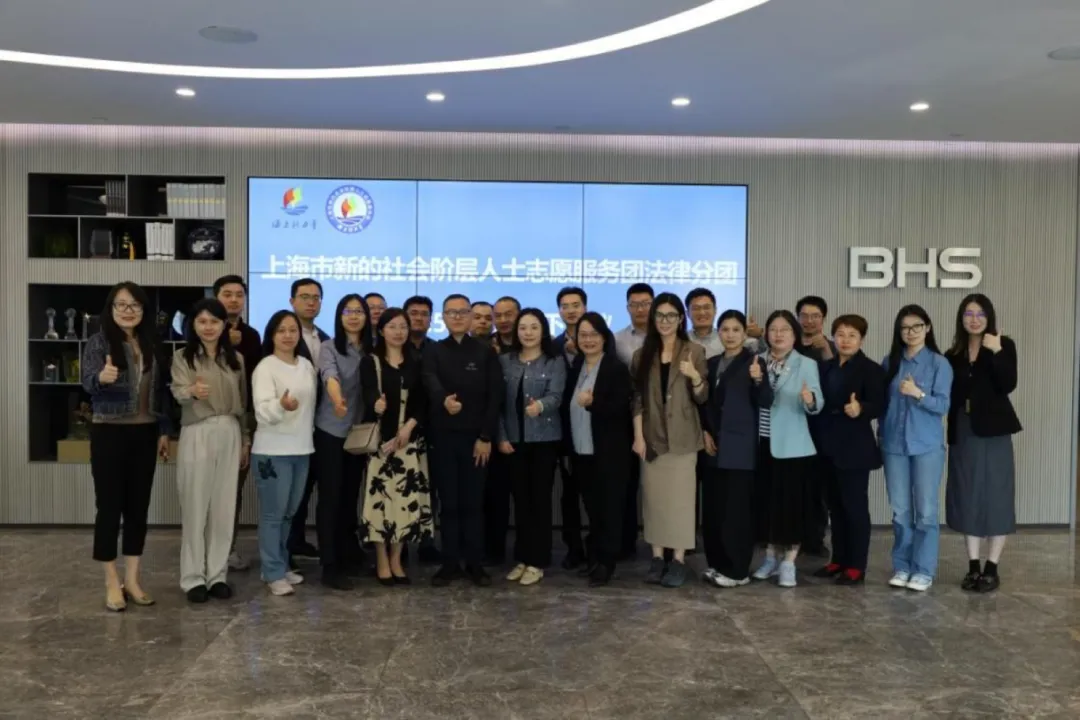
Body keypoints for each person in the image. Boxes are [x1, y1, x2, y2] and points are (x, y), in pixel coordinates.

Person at [81, 282, 171, 612]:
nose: (128, 311)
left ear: (144, 310)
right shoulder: (99, 342)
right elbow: (87, 382)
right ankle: (111, 581)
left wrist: (164, 431)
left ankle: (132, 579)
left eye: (135, 305)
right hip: (109, 433)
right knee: (109, 508)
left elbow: (161, 392)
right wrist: (100, 379)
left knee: (138, 509)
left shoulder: (151, 342)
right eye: (121, 304)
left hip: (145, 434)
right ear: (111, 309)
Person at [171, 298, 250, 603]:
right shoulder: (183, 357)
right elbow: (177, 391)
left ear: (224, 325)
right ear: (193, 325)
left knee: (223, 507)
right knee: (195, 505)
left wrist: (245, 439)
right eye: (202, 321)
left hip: (229, 430)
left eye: (214, 322)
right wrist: (191, 391)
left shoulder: (236, 359)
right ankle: (193, 578)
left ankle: (217, 574)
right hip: (198, 429)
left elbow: (243, 403)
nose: (208, 327)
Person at [421, 294, 502, 587]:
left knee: (473, 503)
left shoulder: (485, 352)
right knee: (449, 503)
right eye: (451, 312)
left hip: (476, 440)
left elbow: (495, 396)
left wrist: (485, 436)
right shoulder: (434, 351)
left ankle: (475, 564)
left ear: (470, 317)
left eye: (462, 312)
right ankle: (450, 563)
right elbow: (429, 380)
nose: (457, 317)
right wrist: (443, 400)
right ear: (443, 317)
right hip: (442, 438)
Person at [944, 294, 1021, 593]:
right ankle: (973, 566)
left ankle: (992, 567)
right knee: (968, 493)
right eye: (968, 314)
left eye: (980, 314)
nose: (974, 319)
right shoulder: (953, 354)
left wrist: (997, 351)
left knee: (997, 495)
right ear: (961, 318)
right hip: (963, 429)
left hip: (995, 430)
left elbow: (1008, 384)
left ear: (989, 317)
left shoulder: (1004, 344)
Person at [631, 293, 708, 588]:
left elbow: (703, 397)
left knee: (681, 503)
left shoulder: (694, 351)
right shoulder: (641, 355)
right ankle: (657, 557)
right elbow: (637, 400)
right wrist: (638, 436)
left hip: (684, 437)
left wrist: (695, 377)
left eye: (671, 315)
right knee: (654, 501)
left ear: (680, 319)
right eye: (660, 315)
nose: (665, 321)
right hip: (652, 439)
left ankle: (678, 560)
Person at [880, 304, 952, 593]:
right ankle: (902, 565)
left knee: (926, 511)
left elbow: (943, 405)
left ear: (927, 328)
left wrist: (918, 394)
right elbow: (883, 405)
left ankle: (923, 569)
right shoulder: (890, 362)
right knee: (900, 511)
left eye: (916, 326)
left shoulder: (939, 363)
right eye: (905, 328)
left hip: (926, 446)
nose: (910, 332)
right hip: (894, 445)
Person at [361, 308, 434, 585]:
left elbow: (423, 402)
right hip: (382, 444)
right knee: (380, 504)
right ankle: (381, 559)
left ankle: (396, 559)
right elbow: (369, 392)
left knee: (404, 504)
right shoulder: (371, 361)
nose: (399, 332)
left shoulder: (416, 361)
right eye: (392, 326)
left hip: (409, 444)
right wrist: (376, 404)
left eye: (403, 326)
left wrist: (409, 428)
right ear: (381, 330)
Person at [750, 310, 823, 589]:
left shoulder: (805, 363)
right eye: (773, 329)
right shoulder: (757, 361)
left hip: (793, 447)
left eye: (785, 330)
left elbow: (817, 404)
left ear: (795, 334)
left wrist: (809, 399)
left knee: (791, 508)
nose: (778, 334)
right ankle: (770, 558)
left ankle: (789, 563)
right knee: (767, 505)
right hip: (762, 444)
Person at [812, 314, 885, 586]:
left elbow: (880, 404)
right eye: (840, 334)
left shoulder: (871, 369)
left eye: (852, 335)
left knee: (854, 508)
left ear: (861, 339)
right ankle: (838, 559)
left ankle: (856, 565)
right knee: (834, 507)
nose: (845, 340)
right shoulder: (825, 367)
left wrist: (861, 408)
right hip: (826, 447)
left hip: (854, 449)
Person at [700, 310, 771, 589]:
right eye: (725, 329)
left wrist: (758, 380)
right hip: (713, 446)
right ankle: (718, 563)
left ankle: (738, 570)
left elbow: (766, 400)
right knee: (714, 508)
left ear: (744, 333)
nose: (730, 335)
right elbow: (704, 402)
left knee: (737, 511)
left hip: (740, 447)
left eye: (736, 330)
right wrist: (705, 432)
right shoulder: (712, 363)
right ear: (718, 332)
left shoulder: (754, 361)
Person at [251, 310, 318, 596]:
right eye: (281, 330)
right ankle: (272, 571)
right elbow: (262, 410)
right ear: (272, 335)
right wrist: (281, 405)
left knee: (290, 513)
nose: (288, 335)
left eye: (293, 330)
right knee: (273, 514)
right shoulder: (266, 367)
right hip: (272, 451)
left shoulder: (306, 365)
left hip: (302, 448)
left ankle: (280, 563)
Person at [563, 313, 633, 586]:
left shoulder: (615, 368)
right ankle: (594, 558)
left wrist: (593, 404)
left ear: (604, 337)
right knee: (592, 510)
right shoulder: (577, 366)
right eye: (583, 335)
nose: (588, 340)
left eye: (594, 334)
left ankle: (606, 563)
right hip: (581, 451)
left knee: (609, 511)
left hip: (609, 453)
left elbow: (621, 410)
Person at [497, 309, 566, 586]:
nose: (528, 332)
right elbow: (498, 404)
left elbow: (557, 395)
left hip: (544, 441)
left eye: (534, 327)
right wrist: (501, 437)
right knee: (521, 502)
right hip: (513, 442)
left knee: (540, 501)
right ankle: (522, 558)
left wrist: (541, 406)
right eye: (523, 327)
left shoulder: (554, 360)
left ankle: (538, 560)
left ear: (543, 330)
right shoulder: (505, 361)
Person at [314, 294, 372, 590]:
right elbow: (330, 376)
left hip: (360, 432)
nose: (354, 316)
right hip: (331, 431)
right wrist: (337, 401)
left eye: (359, 311)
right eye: (348, 311)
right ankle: (329, 564)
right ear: (339, 316)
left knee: (350, 496)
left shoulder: (372, 348)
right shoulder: (329, 347)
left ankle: (349, 554)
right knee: (331, 497)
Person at [213, 275, 261, 572]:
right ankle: (204, 549)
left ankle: (227, 548)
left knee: (233, 489)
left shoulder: (252, 336)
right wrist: (223, 343)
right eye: (227, 294)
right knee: (207, 489)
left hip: (242, 419)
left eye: (239, 295)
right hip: (206, 421)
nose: (233, 300)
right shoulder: (202, 330)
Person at [287, 278, 329, 560]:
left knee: (309, 486)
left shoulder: (326, 338)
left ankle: (298, 540)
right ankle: (286, 549)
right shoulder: (282, 334)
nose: (311, 302)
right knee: (291, 490)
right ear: (292, 301)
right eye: (304, 297)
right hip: (290, 423)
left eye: (316, 297)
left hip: (320, 425)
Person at [614, 282, 654, 559]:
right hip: (627, 418)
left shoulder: (667, 337)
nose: (640, 309)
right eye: (635, 304)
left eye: (645, 304)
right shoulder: (617, 340)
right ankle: (626, 542)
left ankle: (664, 543)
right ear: (627, 307)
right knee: (627, 482)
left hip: (662, 418)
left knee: (660, 483)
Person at [794, 295, 834, 558]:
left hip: (820, 426)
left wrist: (828, 353)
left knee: (818, 487)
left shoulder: (833, 347)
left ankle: (815, 538)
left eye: (815, 316)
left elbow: (838, 381)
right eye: (804, 316)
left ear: (823, 319)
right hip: (791, 422)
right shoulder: (788, 344)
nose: (809, 321)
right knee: (791, 484)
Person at [553, 287, 588, 569]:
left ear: (585, 307)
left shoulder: (600, 340)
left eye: (575, 305)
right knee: (570, 492)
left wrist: (581, 354)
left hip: (593, 427)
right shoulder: (553, 345)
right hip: (563, 429)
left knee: (595, 490)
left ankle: (598, 545)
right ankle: (573, 546)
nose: (571, 310)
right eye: (565, 306)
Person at [484, 296, 521, 564]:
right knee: (494, 496)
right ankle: (494, 550)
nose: (504, 320)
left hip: (526, 431)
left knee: (525, 497)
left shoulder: (531, 342)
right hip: (494, 430)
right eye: (499, 315)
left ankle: (525, 552)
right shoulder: (487, 346)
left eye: (510, 314)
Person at [685, 288, 723, 359]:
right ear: (687, 313)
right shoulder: (682, 340)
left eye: (706, 307)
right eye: (696, 308)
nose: (702, 312)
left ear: (715, 310)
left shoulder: (725, 338)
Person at [404, 296, 435, 360]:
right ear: (404, 317)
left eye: (424, 314)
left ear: (430, 320)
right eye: (414, 313)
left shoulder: (438, 349)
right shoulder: (393, 347)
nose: (419, 318)